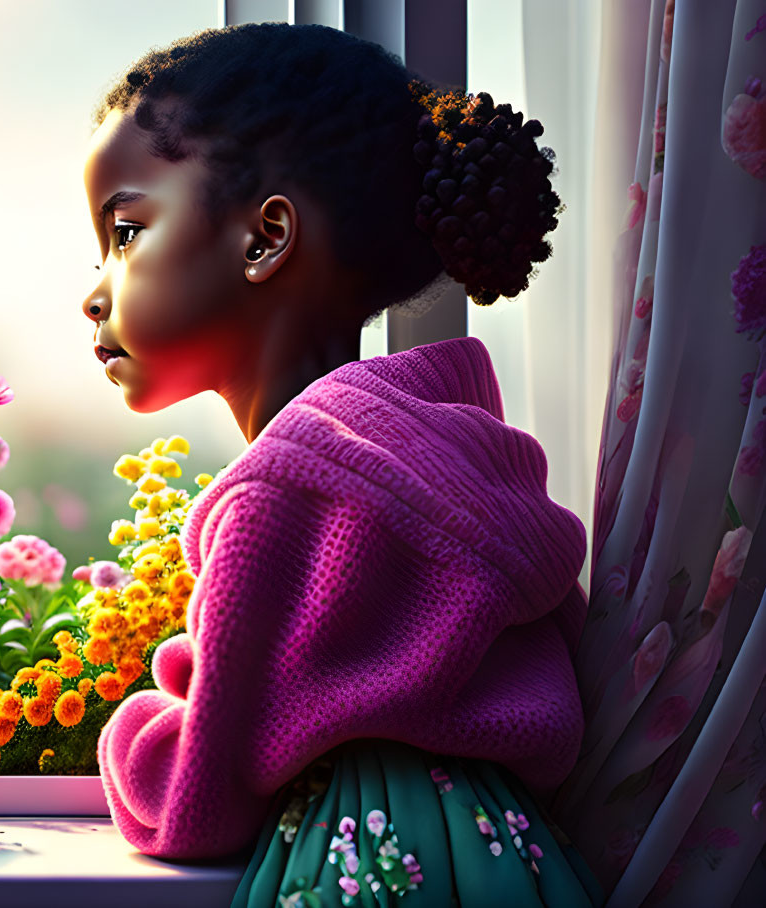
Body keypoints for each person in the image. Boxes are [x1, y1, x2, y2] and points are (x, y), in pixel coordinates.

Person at [79, 23, 604, 907]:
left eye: (125, 231)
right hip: (522, 865)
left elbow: (192, 803)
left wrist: (135, 725)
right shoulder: (462, 465)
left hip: (360, 876)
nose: (96, 289)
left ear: (264, 238)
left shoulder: (282, 489)